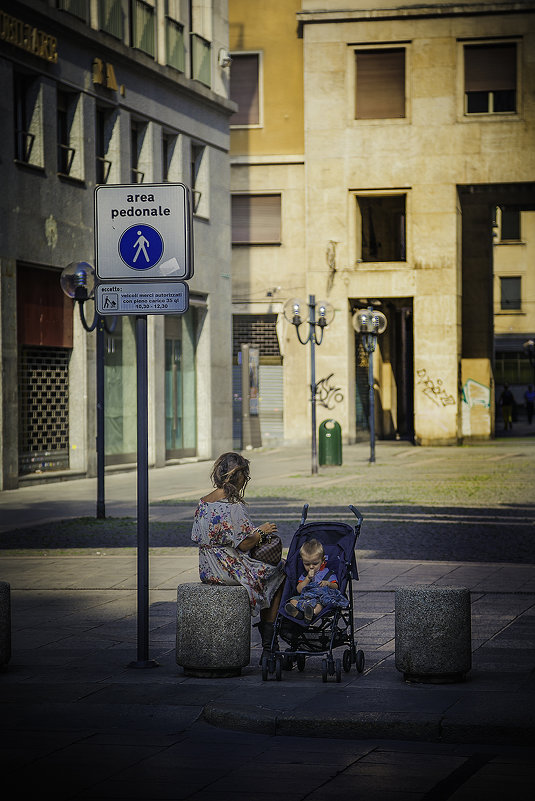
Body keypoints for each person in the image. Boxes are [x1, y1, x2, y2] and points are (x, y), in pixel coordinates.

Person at [191, 452, 285, 660]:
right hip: (228, 569)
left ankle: (270, 642)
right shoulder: (233, 506)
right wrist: (262, 531)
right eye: (246, 477)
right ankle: (270, 647)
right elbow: (244, 544)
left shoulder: (203, 503)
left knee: (271, 572)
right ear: (239, 477)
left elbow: (200, 536)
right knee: (280, 572)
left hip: (208, 568)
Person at [284, 538, 349, 623]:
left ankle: (311, 613)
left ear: (322, 561)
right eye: (307, 564)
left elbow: (336, 586)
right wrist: (307, 578)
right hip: (304, 598)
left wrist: (328, 584)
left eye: (315, 564)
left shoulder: (327, 573)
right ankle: (299, 614)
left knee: (319, 605)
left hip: (319, 598)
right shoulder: (304, 575)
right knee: (292, 601)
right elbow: (299, 590)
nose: (311, 567)